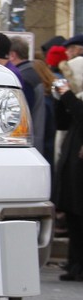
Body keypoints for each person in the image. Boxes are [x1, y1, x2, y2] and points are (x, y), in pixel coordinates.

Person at [52, 77, 83, 280]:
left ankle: (79, 264)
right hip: (72, 161)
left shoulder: (76, 99)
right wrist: (59, 99)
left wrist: (67, 95)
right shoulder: (77, 98)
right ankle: (75, 263)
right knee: (74, 214)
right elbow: (63, 123)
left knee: (80, 214)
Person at [10, 37, 45, 157]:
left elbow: (21, 116)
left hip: (28, 143)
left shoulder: (23, 79)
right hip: (37, 140)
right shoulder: (32, 73)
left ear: (12, 55)